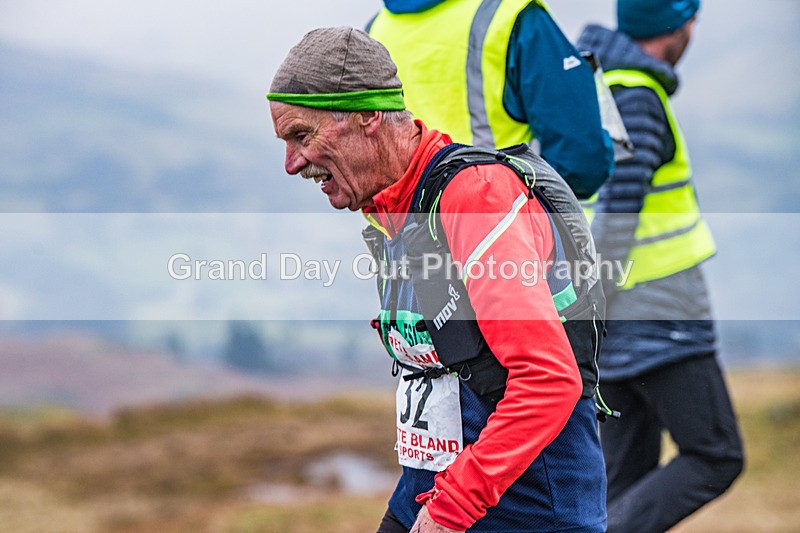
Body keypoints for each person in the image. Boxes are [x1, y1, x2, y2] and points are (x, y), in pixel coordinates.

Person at [267, 27, 606, 533]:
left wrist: (454, 507)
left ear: (367, 115)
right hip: (428, 491)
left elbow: (549, 380)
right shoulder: (395, 207)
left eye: (302, 135)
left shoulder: (476, 199)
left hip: (524, 509)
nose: (292, 164)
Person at [576, 1, 744, 531]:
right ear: (675, 27)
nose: (694, 28)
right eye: (690, 17)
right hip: (659, 319)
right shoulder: (637, 98)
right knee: (715, 455)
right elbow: (618, 215)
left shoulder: (598, 91)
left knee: (624, 479)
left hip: (615, 327)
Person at [367, 0, 615, 199]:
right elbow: (582, 163)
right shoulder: (511, 15)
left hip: (405, 240)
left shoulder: (375, 31)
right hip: (500, 233)